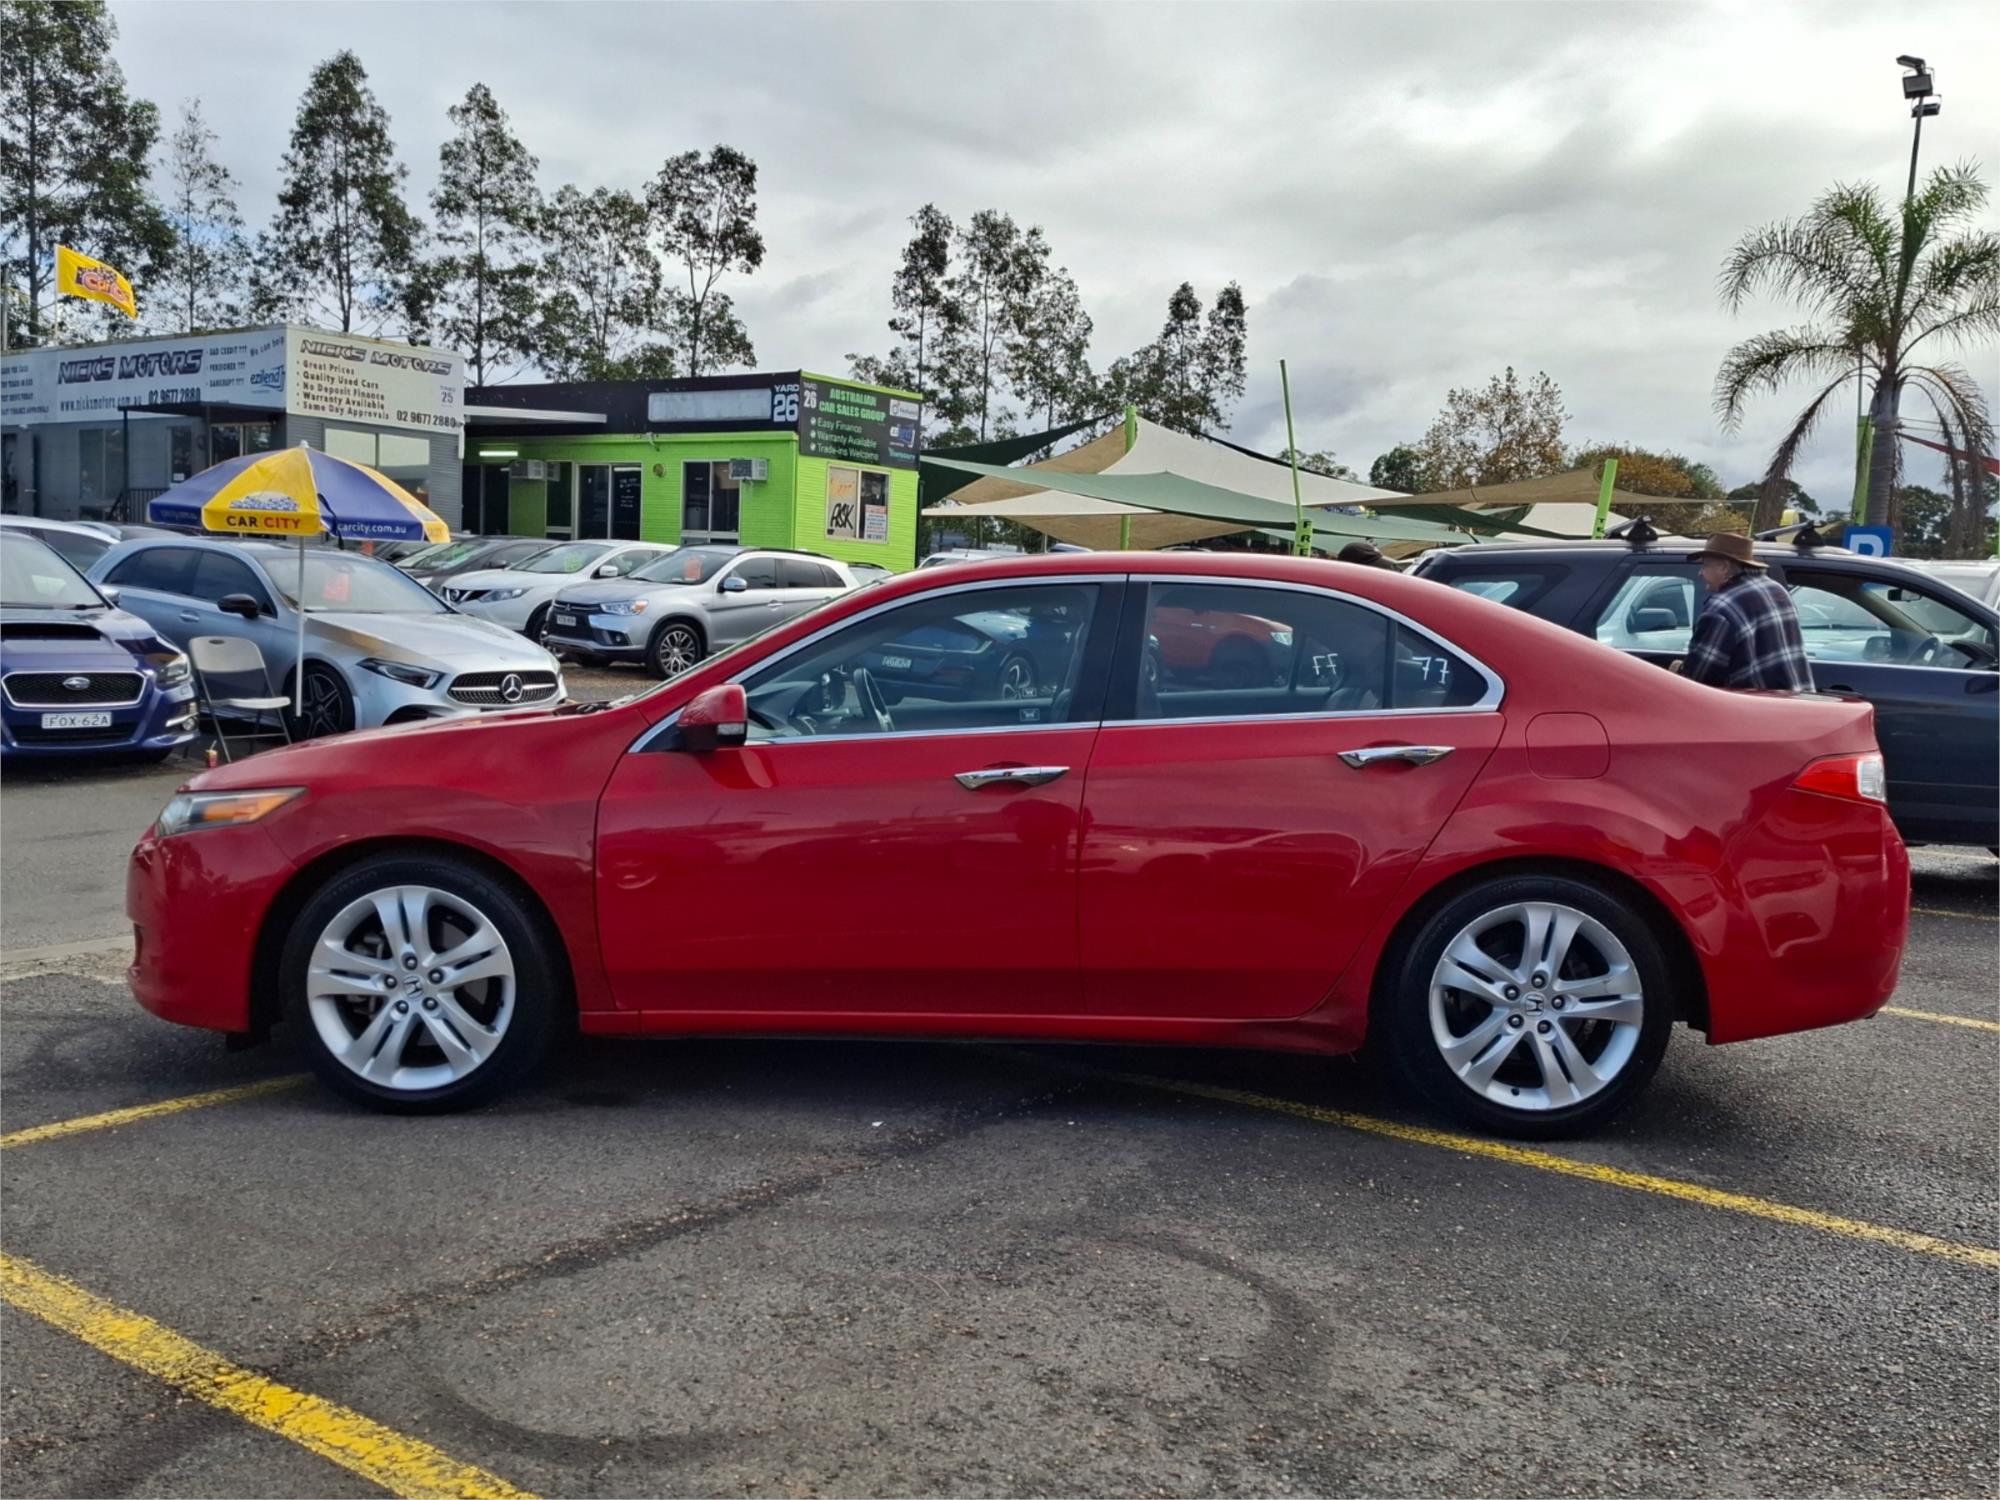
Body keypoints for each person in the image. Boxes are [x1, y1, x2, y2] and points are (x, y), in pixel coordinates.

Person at [1677, 532, 1812, 691]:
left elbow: (1699, 679)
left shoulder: (1721, 607)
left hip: (1754, 704)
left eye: (1705, 565)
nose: (1700, 573)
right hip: (1798, 701)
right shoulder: (1776, 589)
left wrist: (1678, 670)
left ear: (1724, 567)